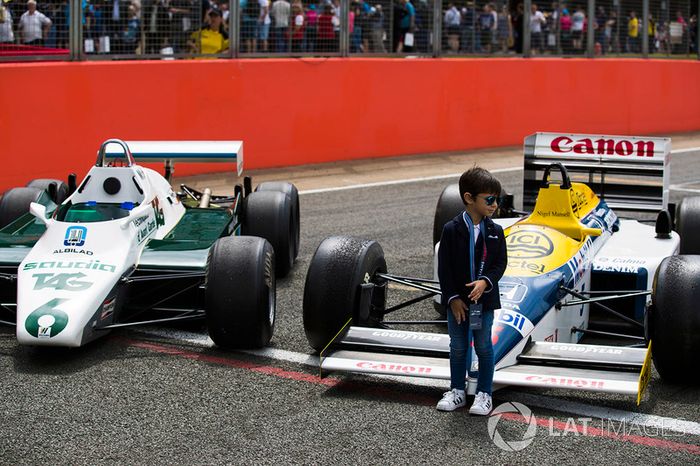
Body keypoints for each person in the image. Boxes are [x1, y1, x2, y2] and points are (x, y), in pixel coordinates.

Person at [436, 167, 507, 415]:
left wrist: (485, 281)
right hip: (457, 303)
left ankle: (484, 394)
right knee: (457, 346)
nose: (495, 204)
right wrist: (453, 298)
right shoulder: (451, 229)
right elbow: (444, 268)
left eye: (497, 199)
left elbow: (500, 264)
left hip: (484, 302)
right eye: (489, 199)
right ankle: (457, 390)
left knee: (484, 346)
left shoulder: (496, 232)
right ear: (469, 198)